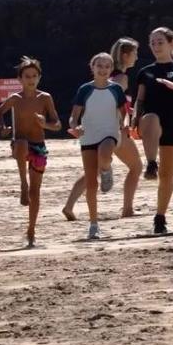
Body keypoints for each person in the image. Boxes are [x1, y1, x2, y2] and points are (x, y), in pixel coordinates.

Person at [62, 37, 142, 220]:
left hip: (103, 130)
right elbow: (118, 106)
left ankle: (69, 206)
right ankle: (127, 209)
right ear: (125, 55)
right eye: (135, 53)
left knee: (94, 171)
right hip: (114, 130)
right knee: (136, 167)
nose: (137, 57)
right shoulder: (121, 78)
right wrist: (126, 123)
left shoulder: (110, 78)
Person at [0, 57, 62, 246]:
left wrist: (45, 124)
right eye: (27, 76)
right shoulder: (15, 99)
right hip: (19, 144)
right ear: (20, 79)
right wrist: (2, 128)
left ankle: (31, 229)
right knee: (22, 144)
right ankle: (23, 183)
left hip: (38, 145)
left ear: (39, 77)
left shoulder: (45, 98)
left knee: (36, 191)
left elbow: (57, 124)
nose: (31, 80)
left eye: (34, 76)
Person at [68, 52, 128, 239]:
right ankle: (94, 225)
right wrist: (75, 127)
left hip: (110, 133)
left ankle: (106, 169)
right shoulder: (84, 89)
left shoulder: (116, 89)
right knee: (91, 184)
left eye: (107, 66)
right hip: (88, 137)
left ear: (111, 69)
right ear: (92, 67)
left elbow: (124, 112)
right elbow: (74, 116)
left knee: (105, 151)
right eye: (99, 66)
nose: (103, 69)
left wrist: (125, 124)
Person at [136, 27, 173, 233]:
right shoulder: (145, 72)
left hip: (172, 124)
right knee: (150, 117)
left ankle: (160, 217)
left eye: (160, 42)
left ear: (171, 43)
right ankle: (151, 163)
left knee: (167, 175)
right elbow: (140, 101)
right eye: (152, 42)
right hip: (153, 124)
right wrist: (133, 121)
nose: (156, 46)